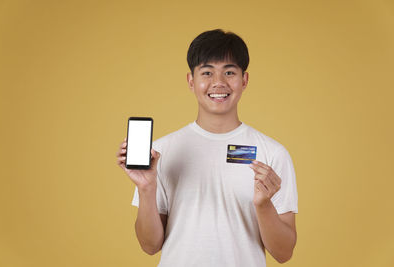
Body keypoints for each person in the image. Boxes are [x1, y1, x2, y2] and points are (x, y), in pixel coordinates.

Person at [116, 29, 298, 267]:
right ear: (191, 81)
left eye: (229, 72)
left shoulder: (272, 154)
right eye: (207, 72)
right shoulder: (161, 152)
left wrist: (263, 205)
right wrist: (146, 188)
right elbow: (149, 246)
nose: (218, 83)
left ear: (244, 80)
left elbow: (283, 253)